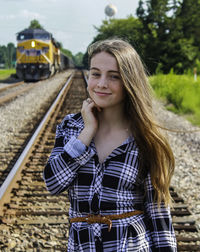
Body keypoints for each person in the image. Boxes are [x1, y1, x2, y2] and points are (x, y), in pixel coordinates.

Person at [43, 38, 177, 251]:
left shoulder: (145, 137)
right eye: (95, 74)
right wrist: (86, 133)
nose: (101, 83)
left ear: (129, 82)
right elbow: (53, 183)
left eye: (113, 76)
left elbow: (158, 214)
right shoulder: (71, 127)